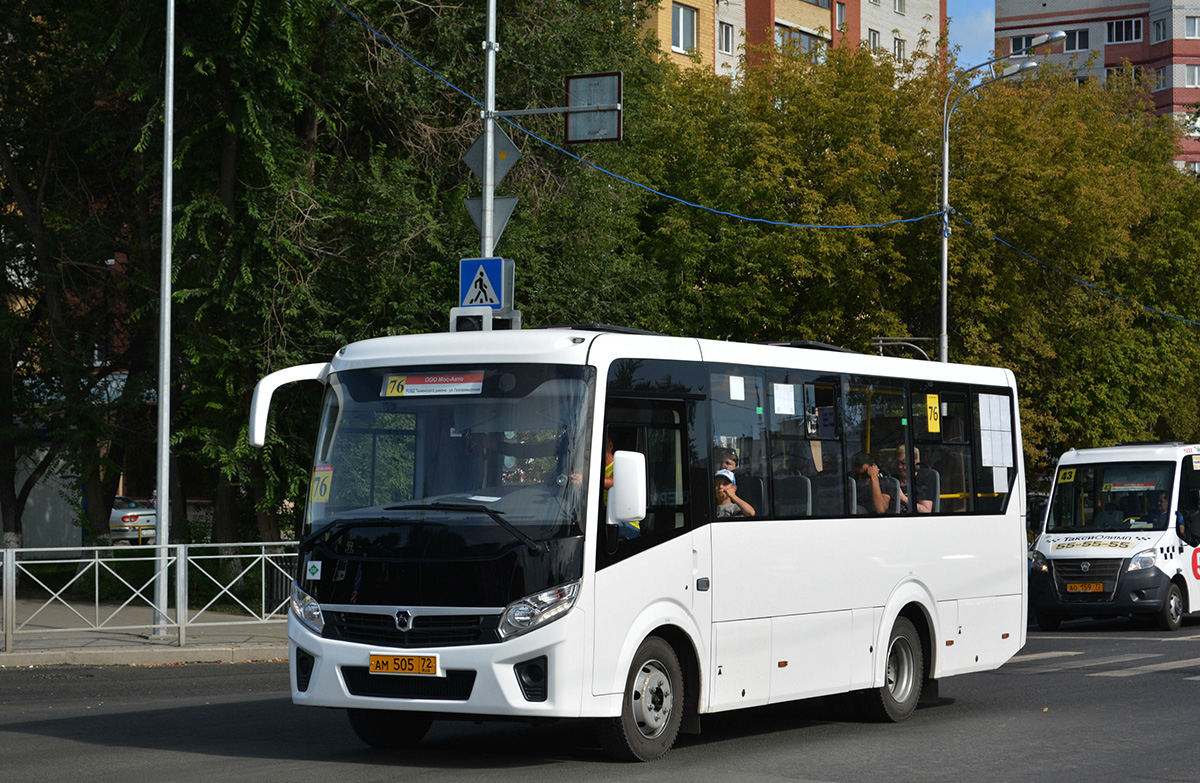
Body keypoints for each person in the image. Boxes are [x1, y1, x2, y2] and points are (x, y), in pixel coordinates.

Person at [895, 445, 933, 514]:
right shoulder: (893, 480)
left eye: (903, 463)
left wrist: (903, 498)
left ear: (914, 462)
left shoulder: (923, 483)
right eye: (898, 463)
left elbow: (926, 510)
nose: (899, 467)